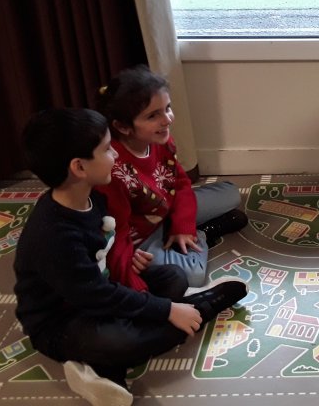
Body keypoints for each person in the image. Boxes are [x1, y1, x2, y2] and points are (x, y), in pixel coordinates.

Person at [14, 108, 248, 406]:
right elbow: (96, 296)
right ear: (79, 167)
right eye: (106, 149)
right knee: (121, 341)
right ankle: (202, 307)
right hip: (64, 322)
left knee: (174, 277)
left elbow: (111, 240)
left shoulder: (92, 196)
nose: (115, 154)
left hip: (103, 289)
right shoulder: (55, 236)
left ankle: (103, 368)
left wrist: (129, 256)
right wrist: (167, 310)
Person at [96, 65, 248, 291]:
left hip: (166, 209)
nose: (167, 119)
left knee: (231, 193)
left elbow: (180, 184)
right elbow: (117, 228)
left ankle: (185, 233)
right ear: (123, 127)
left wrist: (183, 225)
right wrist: (130, 258)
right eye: (153, 116)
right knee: (193, 274)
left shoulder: (161, 141)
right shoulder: (113, 169)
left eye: (167, 108)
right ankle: (202, 233)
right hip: (141, 235)